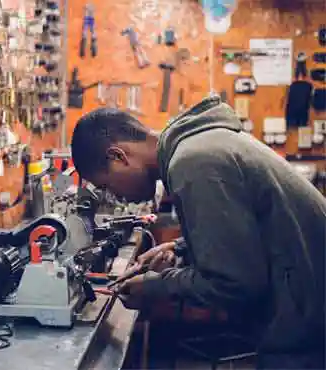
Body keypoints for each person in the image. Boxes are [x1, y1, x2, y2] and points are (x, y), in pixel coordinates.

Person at [70, 96, 325, 369]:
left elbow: (234, 282)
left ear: (118, 156)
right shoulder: (201, 145)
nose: (115, 196)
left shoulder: (193, 163)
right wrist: (179, 248)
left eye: (107, 185)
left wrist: (155, 287)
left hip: (306, 323)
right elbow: (243, 229)